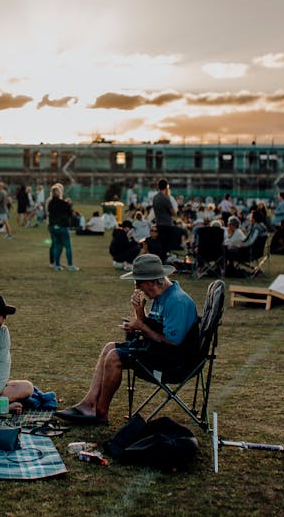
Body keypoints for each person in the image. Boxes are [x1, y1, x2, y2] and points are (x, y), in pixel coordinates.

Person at [54, 253, 200, 425]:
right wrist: (139, 313)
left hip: (174, 362)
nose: (136, 286)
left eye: (139, 282)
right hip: (159, 351)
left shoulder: (177, 301)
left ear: (154, 281)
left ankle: (100, 413)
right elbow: (155, 329)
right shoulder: (162, 296)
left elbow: (172, 343)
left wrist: (141, 326)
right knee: (110, 347)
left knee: (115, 357)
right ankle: (89, 403)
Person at [47, 183, 77, 271]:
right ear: (60, 193)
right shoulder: (63, 203)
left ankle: (56, 265)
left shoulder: (50, 203)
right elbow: (70, 213)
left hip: (53, 227)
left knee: (57, 246)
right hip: (62, 227)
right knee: (68, 246)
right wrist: (69, 204)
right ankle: (70, 265)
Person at [151, 178, 178, 262]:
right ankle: (163, 264)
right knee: (166, 247)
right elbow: (173, 212)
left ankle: (159, 263)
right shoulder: (165, 198)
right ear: (166, 187)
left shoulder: (155, 198)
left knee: (161, 245)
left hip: (159, 223)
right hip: (167, 224)